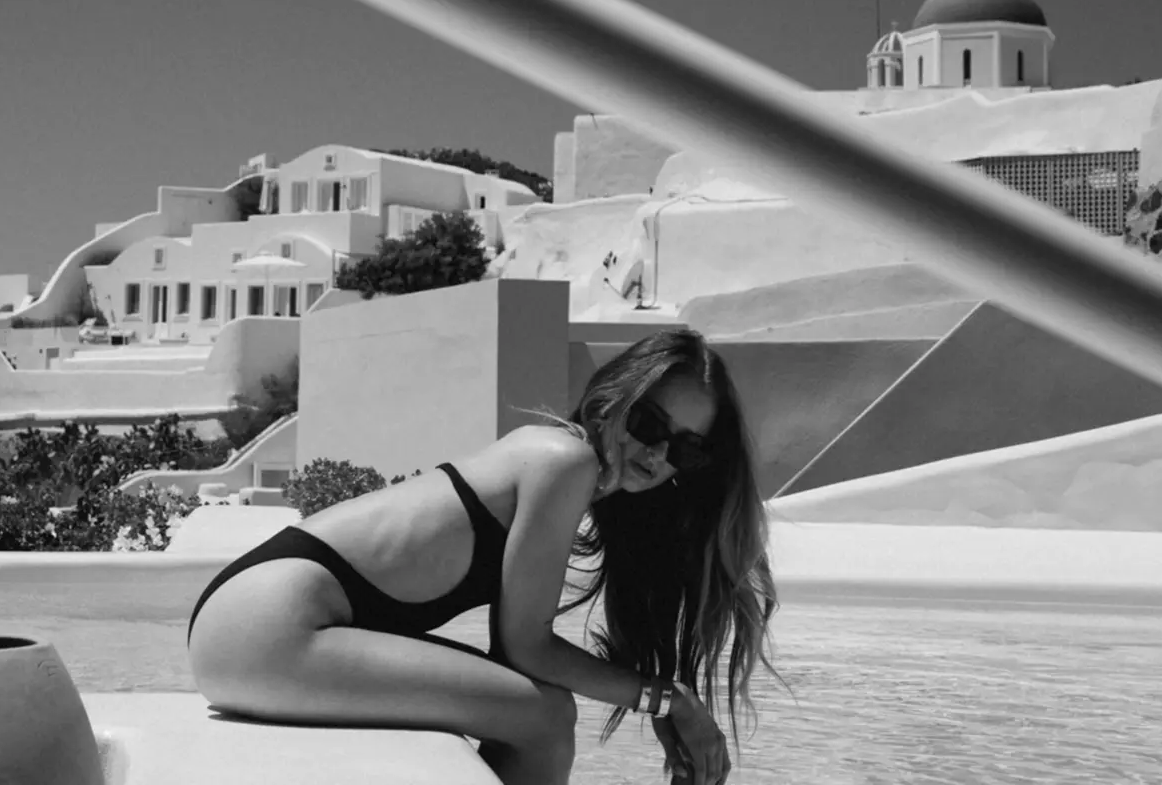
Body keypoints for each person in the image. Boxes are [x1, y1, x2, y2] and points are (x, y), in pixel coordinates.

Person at [188, 329, 780, 785]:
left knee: (539, 710)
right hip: (265, 627)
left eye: (684, 447)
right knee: (545, 717)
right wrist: (665, 698)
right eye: (650, 422)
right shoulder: (562, 460)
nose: (657, 452)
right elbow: (527, 645)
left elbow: (516, 661)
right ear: (614, 396)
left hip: (252, 624)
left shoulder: (576, 476)